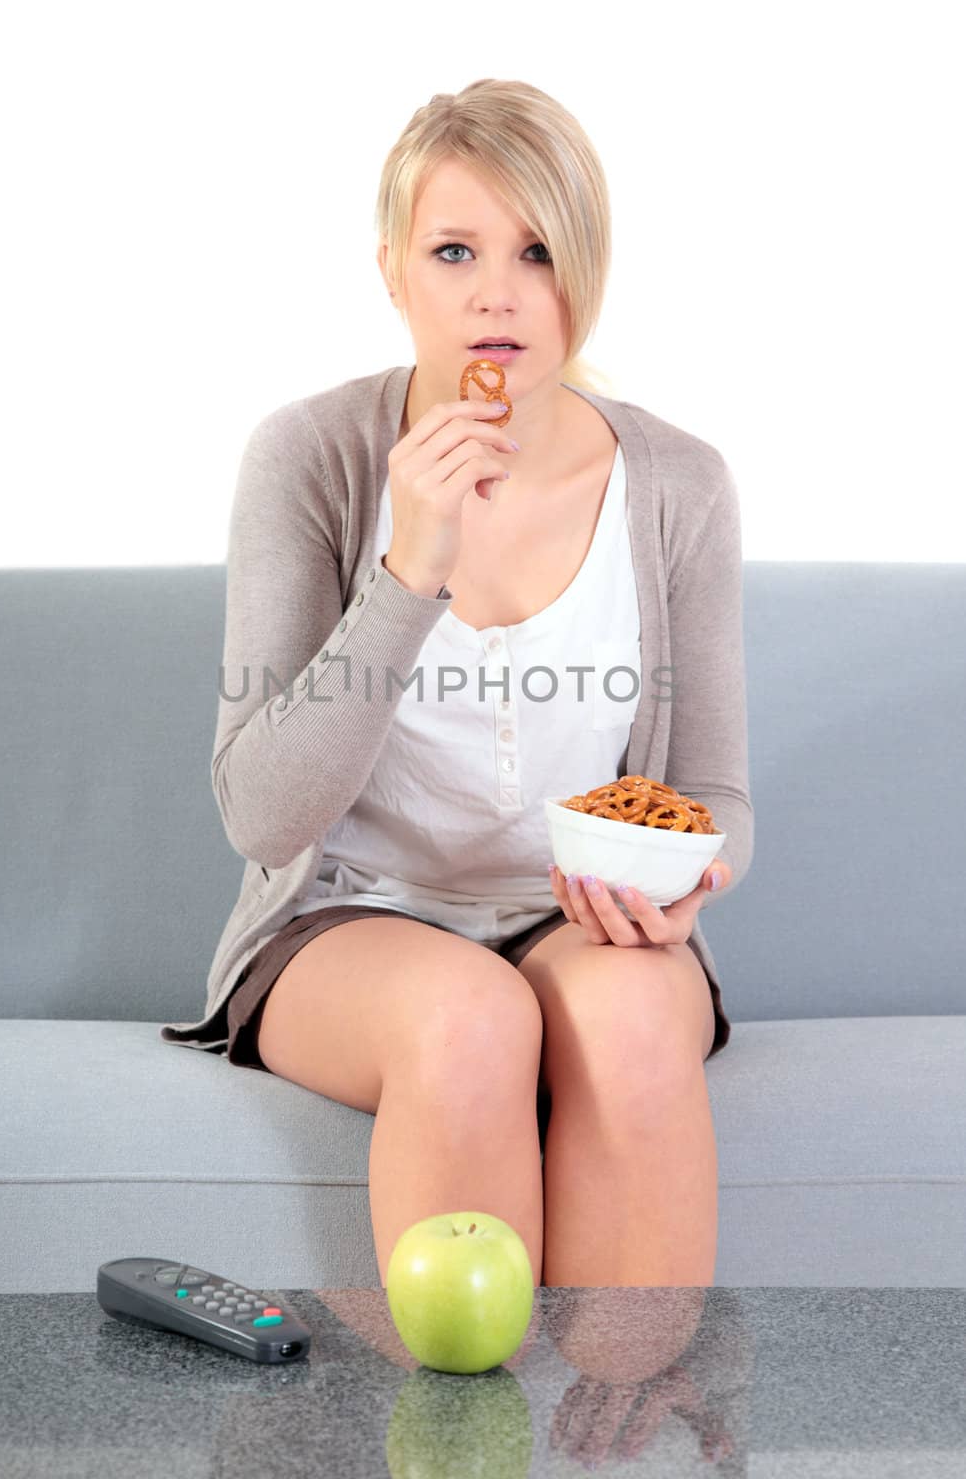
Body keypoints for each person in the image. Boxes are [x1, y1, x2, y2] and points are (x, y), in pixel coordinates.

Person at [161, 78, 754, 1287]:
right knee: (469, 1015)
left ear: (585, 270)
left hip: (575, 919)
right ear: (393, 271)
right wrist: (409, 565)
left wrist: (690, 878)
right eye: (454, 250)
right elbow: (263, 818)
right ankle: (457, 1455)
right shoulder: (309, 458)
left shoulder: (678, 485)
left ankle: (630, 1443)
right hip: (345, 922)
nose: (497, 291)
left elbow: (715, 795)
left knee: (637, 1020)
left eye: (538, 250)